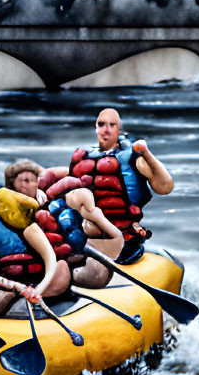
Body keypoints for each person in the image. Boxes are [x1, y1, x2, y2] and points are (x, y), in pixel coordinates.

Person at [66, 108, 174, 265]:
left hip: (127, 235)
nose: (106, 129)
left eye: (112, 125)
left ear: (119, 129)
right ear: (96, 127)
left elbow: (165, 187)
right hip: (91, 234)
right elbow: (69, 193)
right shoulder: (82, 158)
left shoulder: (133, 158)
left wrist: (146, 154)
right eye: (102, 124)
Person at [3, 158, 126, 288]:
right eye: (23, 181)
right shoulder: (14, 209)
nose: (29, 184)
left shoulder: (54, 188)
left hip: (83, 252)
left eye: (31, 179)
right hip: (59, 261)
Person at [0, 186, 72, 317]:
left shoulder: (28, 229)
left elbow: (50, 259)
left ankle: (38, 298)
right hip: (11, 280)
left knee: (59, 266)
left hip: (30, 281)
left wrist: (38, 290)